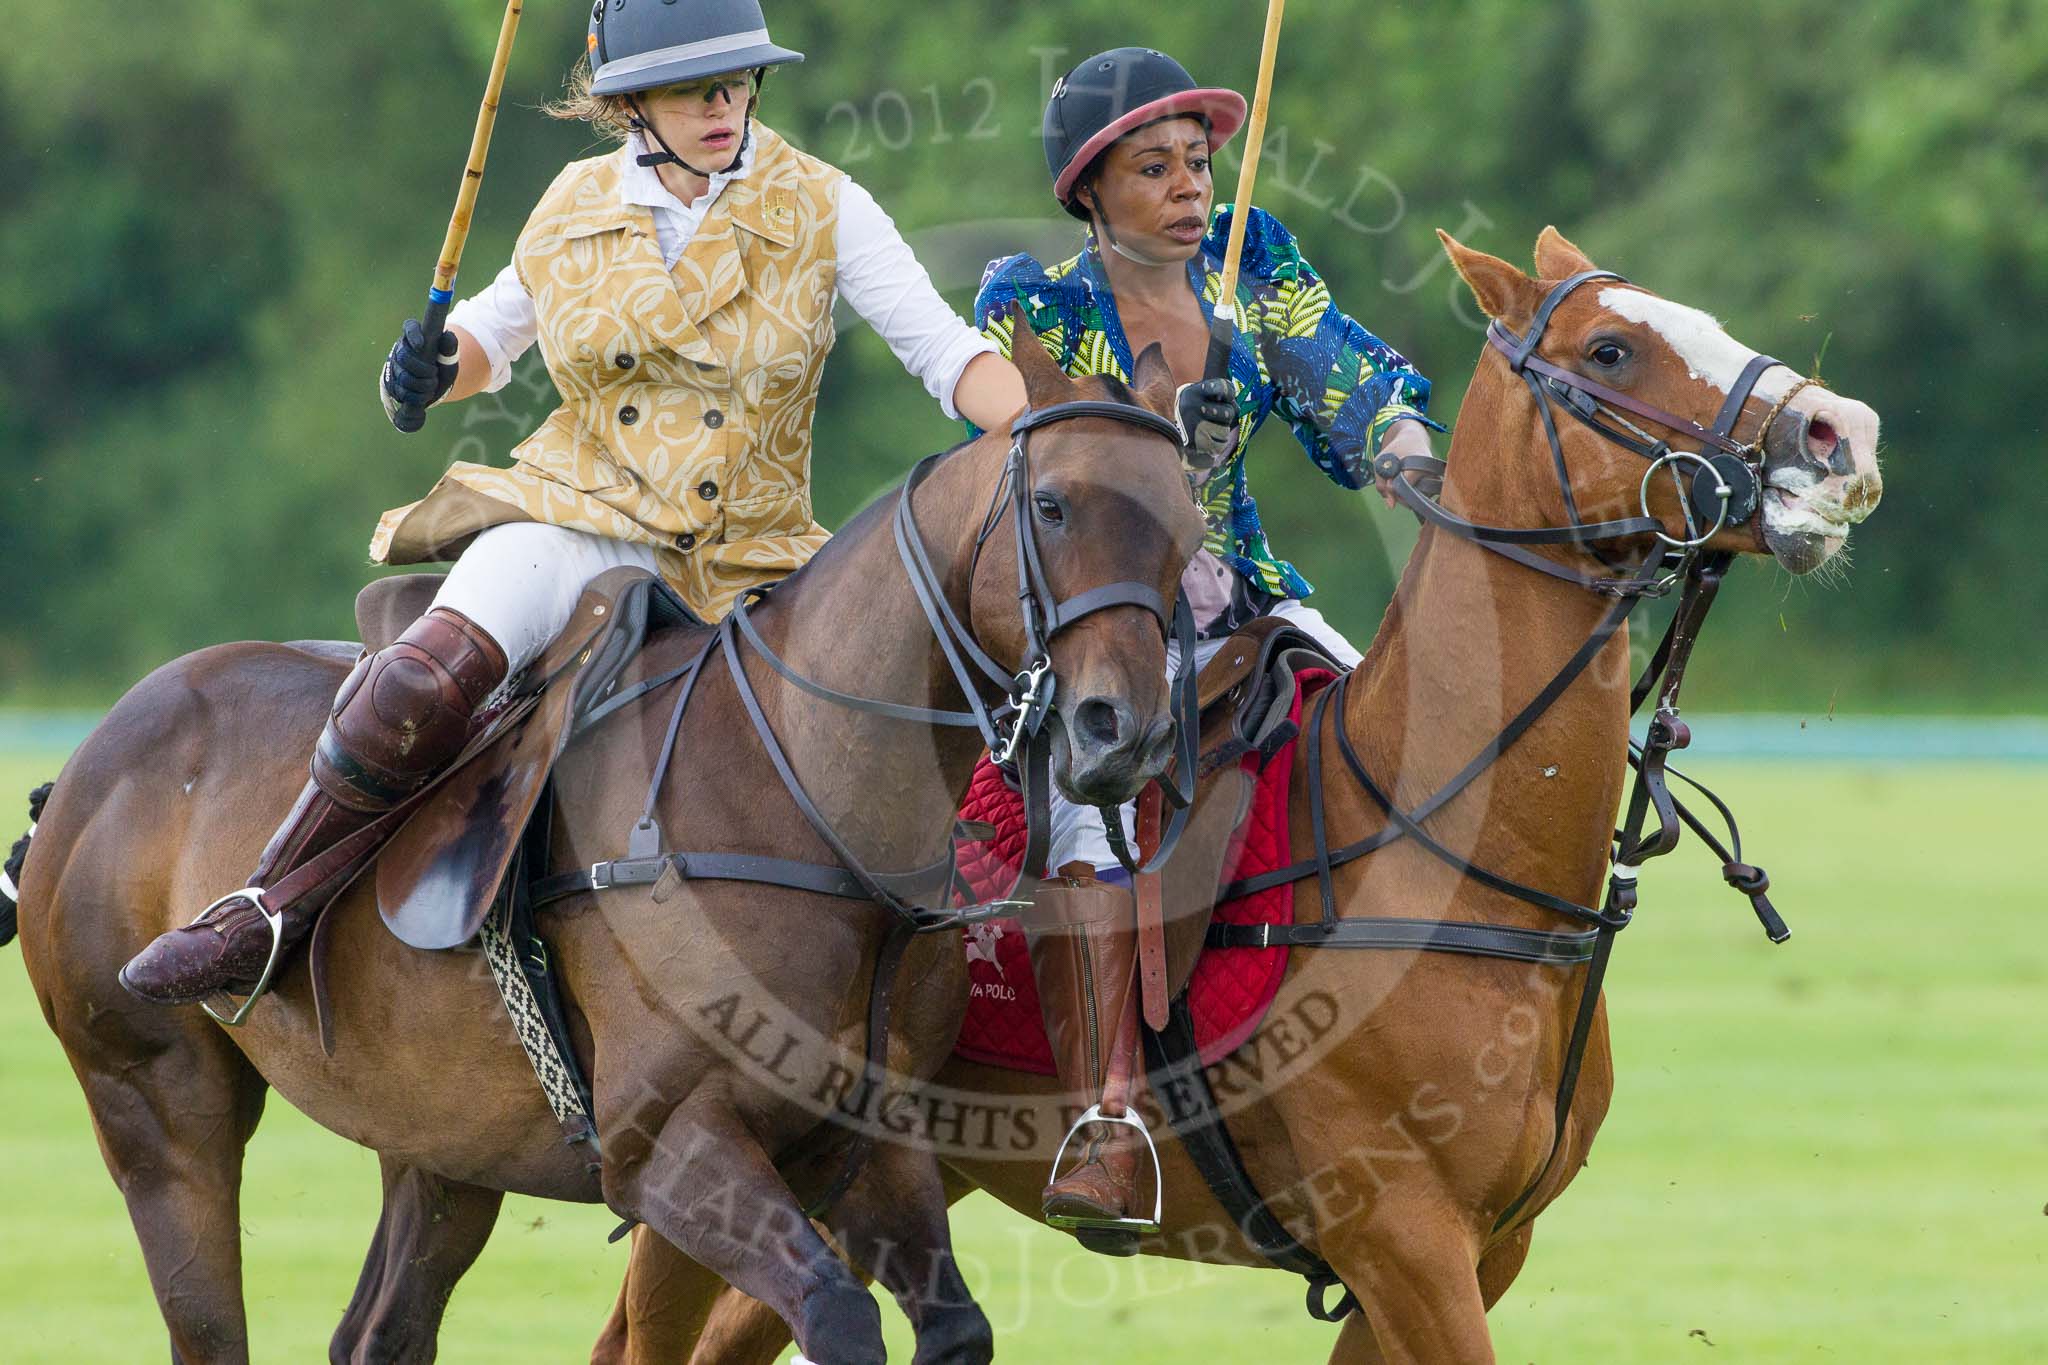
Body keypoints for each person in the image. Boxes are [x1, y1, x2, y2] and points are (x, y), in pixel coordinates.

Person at [120, 0, 1027, 1006]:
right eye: (693, 89)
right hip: (583, 521)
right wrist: (427, 369)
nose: (724, 105)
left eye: (737, 81)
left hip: (751, 555)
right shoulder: (573, 203)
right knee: (419, 679)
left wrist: (1052, 428)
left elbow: (946, 356)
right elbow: (488, 339)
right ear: (630, 104)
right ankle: (267, 904)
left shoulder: (824, 204)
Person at [975, 47, 1440, 1243]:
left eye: (1196, 161)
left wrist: (1403, 450)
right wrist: (1168, 443)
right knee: (1088, 815)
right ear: (1088, 190)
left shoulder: (1254, 261)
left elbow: (1344, 374)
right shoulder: (1034, 306)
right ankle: (1107, 1120)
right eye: (1153, 168)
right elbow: (1052, 454)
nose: (1188, 186)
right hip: (1100, 617)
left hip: (1248, 603)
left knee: (1406, 744)